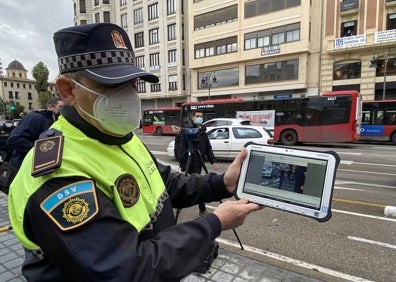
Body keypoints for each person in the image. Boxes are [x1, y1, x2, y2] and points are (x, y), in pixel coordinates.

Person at [8, 23, 261, 282]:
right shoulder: (59, 174)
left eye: (132, 84)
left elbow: (165, 183)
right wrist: (214, 223)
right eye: (112, 85)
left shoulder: (119, 136)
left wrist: (223, 183)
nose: (128, 96)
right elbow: (125, 271)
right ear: (68, 90)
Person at [176, 111, 219, 217]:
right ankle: (178, 205)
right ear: (192, 118)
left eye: (201, 116)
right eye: (197, 116)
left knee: (199, 186)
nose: (199, 118)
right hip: (188, 163)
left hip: (198, 163)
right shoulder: (186, 130)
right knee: (184, 185)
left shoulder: (202, 131)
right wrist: (182, 166)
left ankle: (202, 210)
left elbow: (208, 147)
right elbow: (181, 149)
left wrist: (213, 161)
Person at [6, 97, 63, 168]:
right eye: (60, 107)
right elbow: (14, 139)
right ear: (50, 107)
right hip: (23, 166)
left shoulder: (55, 121)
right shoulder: (35, 117)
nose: (62, 111)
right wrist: (41, 150)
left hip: (40, 166)